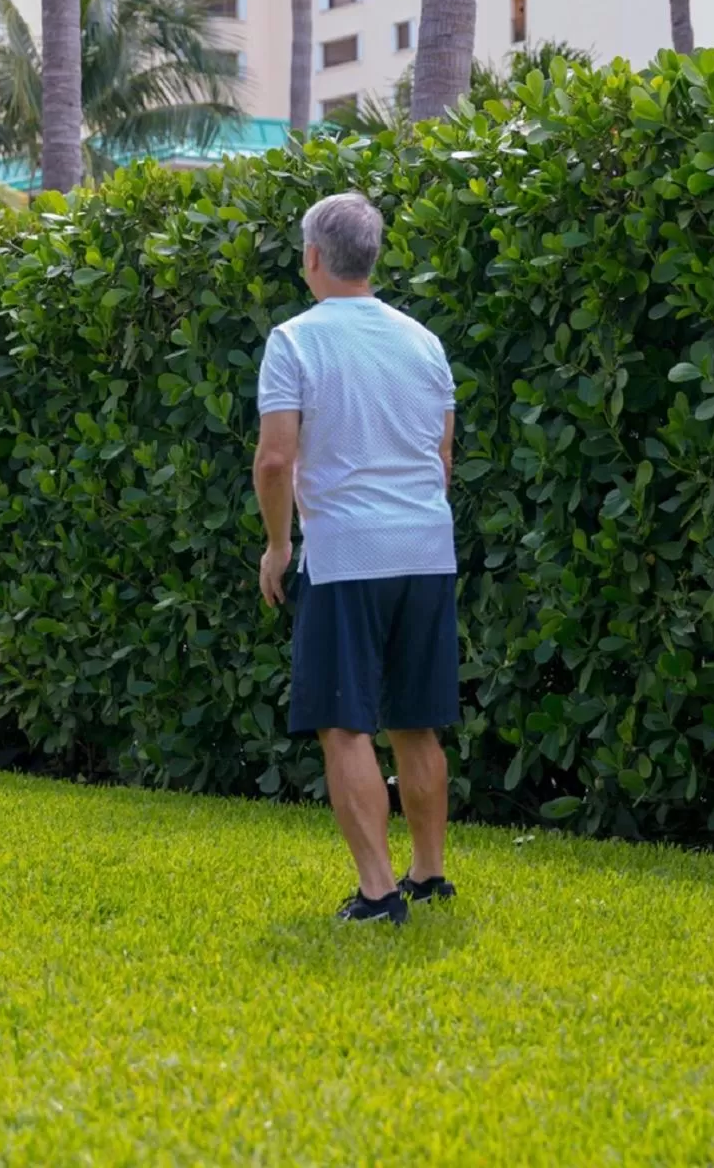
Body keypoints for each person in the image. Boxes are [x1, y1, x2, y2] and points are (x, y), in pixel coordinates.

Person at [253, 192, 459, 925]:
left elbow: (276, 460)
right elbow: (441, 460)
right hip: (428, 552)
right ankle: (429, 877)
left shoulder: (295, 340)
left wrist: (280, 547)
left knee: (346, 726)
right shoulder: (424, 342)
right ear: (371, 257)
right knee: (418, 722)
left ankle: (377, 895)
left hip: (345, 557)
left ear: (312, 256)